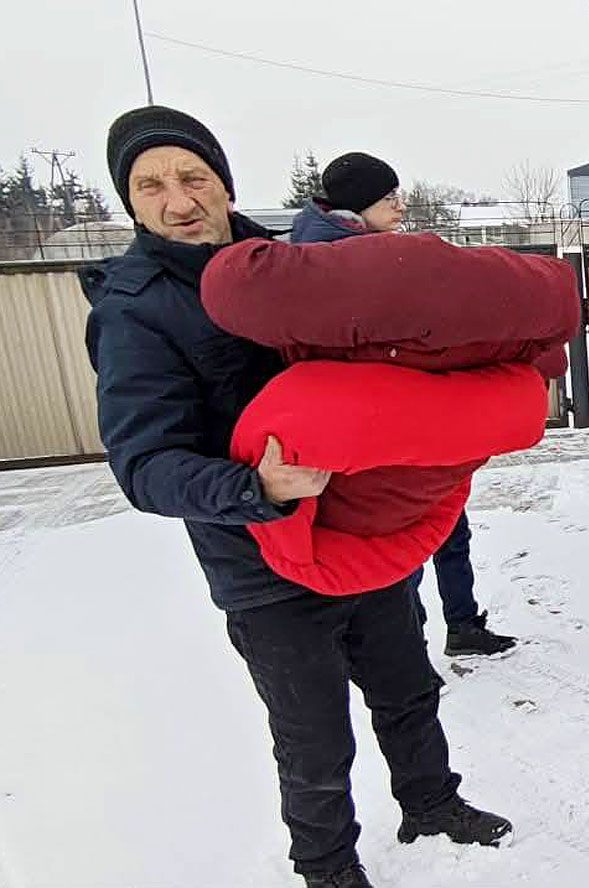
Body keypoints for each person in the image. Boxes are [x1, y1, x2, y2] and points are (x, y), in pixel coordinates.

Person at [82, 106, 510, 888]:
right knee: (313, 737)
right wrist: (256, 488)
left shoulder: (282, 266)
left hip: (357, 532)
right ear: (131, 203)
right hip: (260, 565)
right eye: (151, 186)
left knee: (408, 688)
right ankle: (326, 866)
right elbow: (144, 466)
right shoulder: (134, 310)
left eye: (193, 177)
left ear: (224, 183)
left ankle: (430, 802)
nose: (178, 201)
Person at [290, 151, 516, 657]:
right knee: (399, 550)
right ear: (359, 204)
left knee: (448, 528)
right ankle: (408, 649)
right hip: (370, 434)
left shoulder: (375, 252)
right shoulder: (321, 262)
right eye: (389, 197)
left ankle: (462, 625)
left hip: (418, 422)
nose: (400, 205)